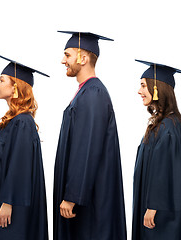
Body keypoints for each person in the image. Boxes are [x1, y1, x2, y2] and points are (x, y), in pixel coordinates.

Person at [53, 31, 126, 240]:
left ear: (83, 58)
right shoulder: (85, 91)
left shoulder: (93, 93)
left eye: (67, 55)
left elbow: (86, 147)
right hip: (84, 197)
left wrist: (72, 195)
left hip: (90, 202)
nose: (62, 60)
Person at [0, 54, 49, 240]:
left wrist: (8, 201)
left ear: (15, 87)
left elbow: (20, 164)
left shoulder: (23, 122)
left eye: (2, 80)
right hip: (4, 200)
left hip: (14, 207)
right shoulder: (13, 122)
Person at [132, 60, 181, 240]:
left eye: (143, 85)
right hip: (155, 206)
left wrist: (152, 207)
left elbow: (164, 171)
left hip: (160, 213)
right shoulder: (164, 123)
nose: (139, 91)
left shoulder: (168, 127)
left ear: (156, 88)